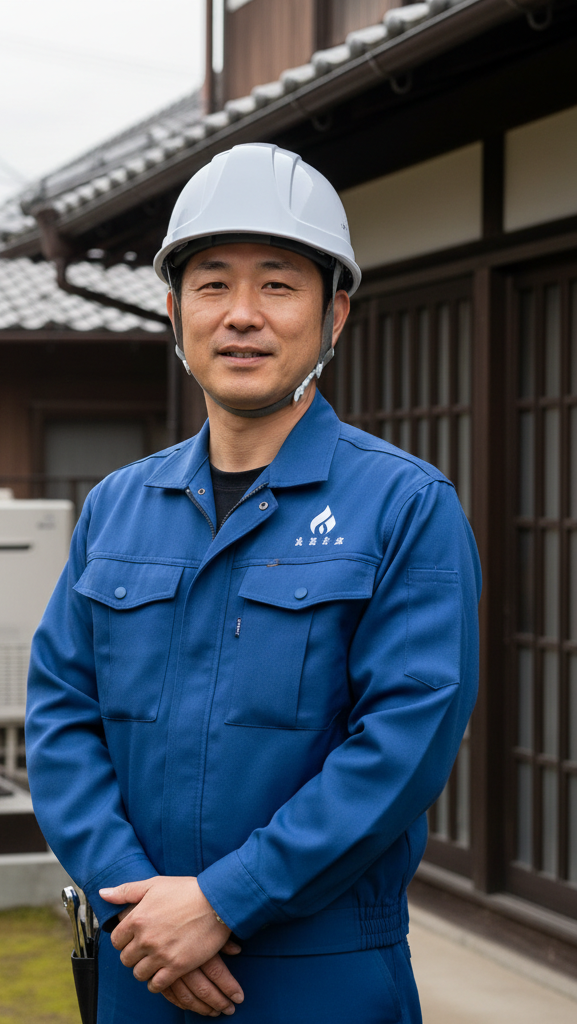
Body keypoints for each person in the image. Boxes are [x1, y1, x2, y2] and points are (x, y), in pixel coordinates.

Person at [25, 142, 480, 1022]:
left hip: (322, 966)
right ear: (173, 309)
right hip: (139, 956)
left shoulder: (404, 507)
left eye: (277, 284)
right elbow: (59, 714)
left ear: (334, 313)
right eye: (212, 284)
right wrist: (135, 899)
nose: (242, 315)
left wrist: (225, 900)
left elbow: (403, 745)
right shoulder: (118, 506)